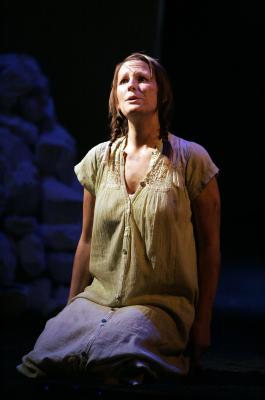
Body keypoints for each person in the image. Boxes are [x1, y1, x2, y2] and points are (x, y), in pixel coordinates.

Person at [17, 52, 221, 385]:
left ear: (162, 93)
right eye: (123, 81)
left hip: (158, 305)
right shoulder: (98, 159)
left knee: (126, 354)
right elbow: (86, 240)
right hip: (97, 300)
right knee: (44, 355)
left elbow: (210, 246)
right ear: (115, 97)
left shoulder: (190, 159)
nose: (133, 86)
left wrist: (203, 322)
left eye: (143, 78)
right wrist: (70, 307)